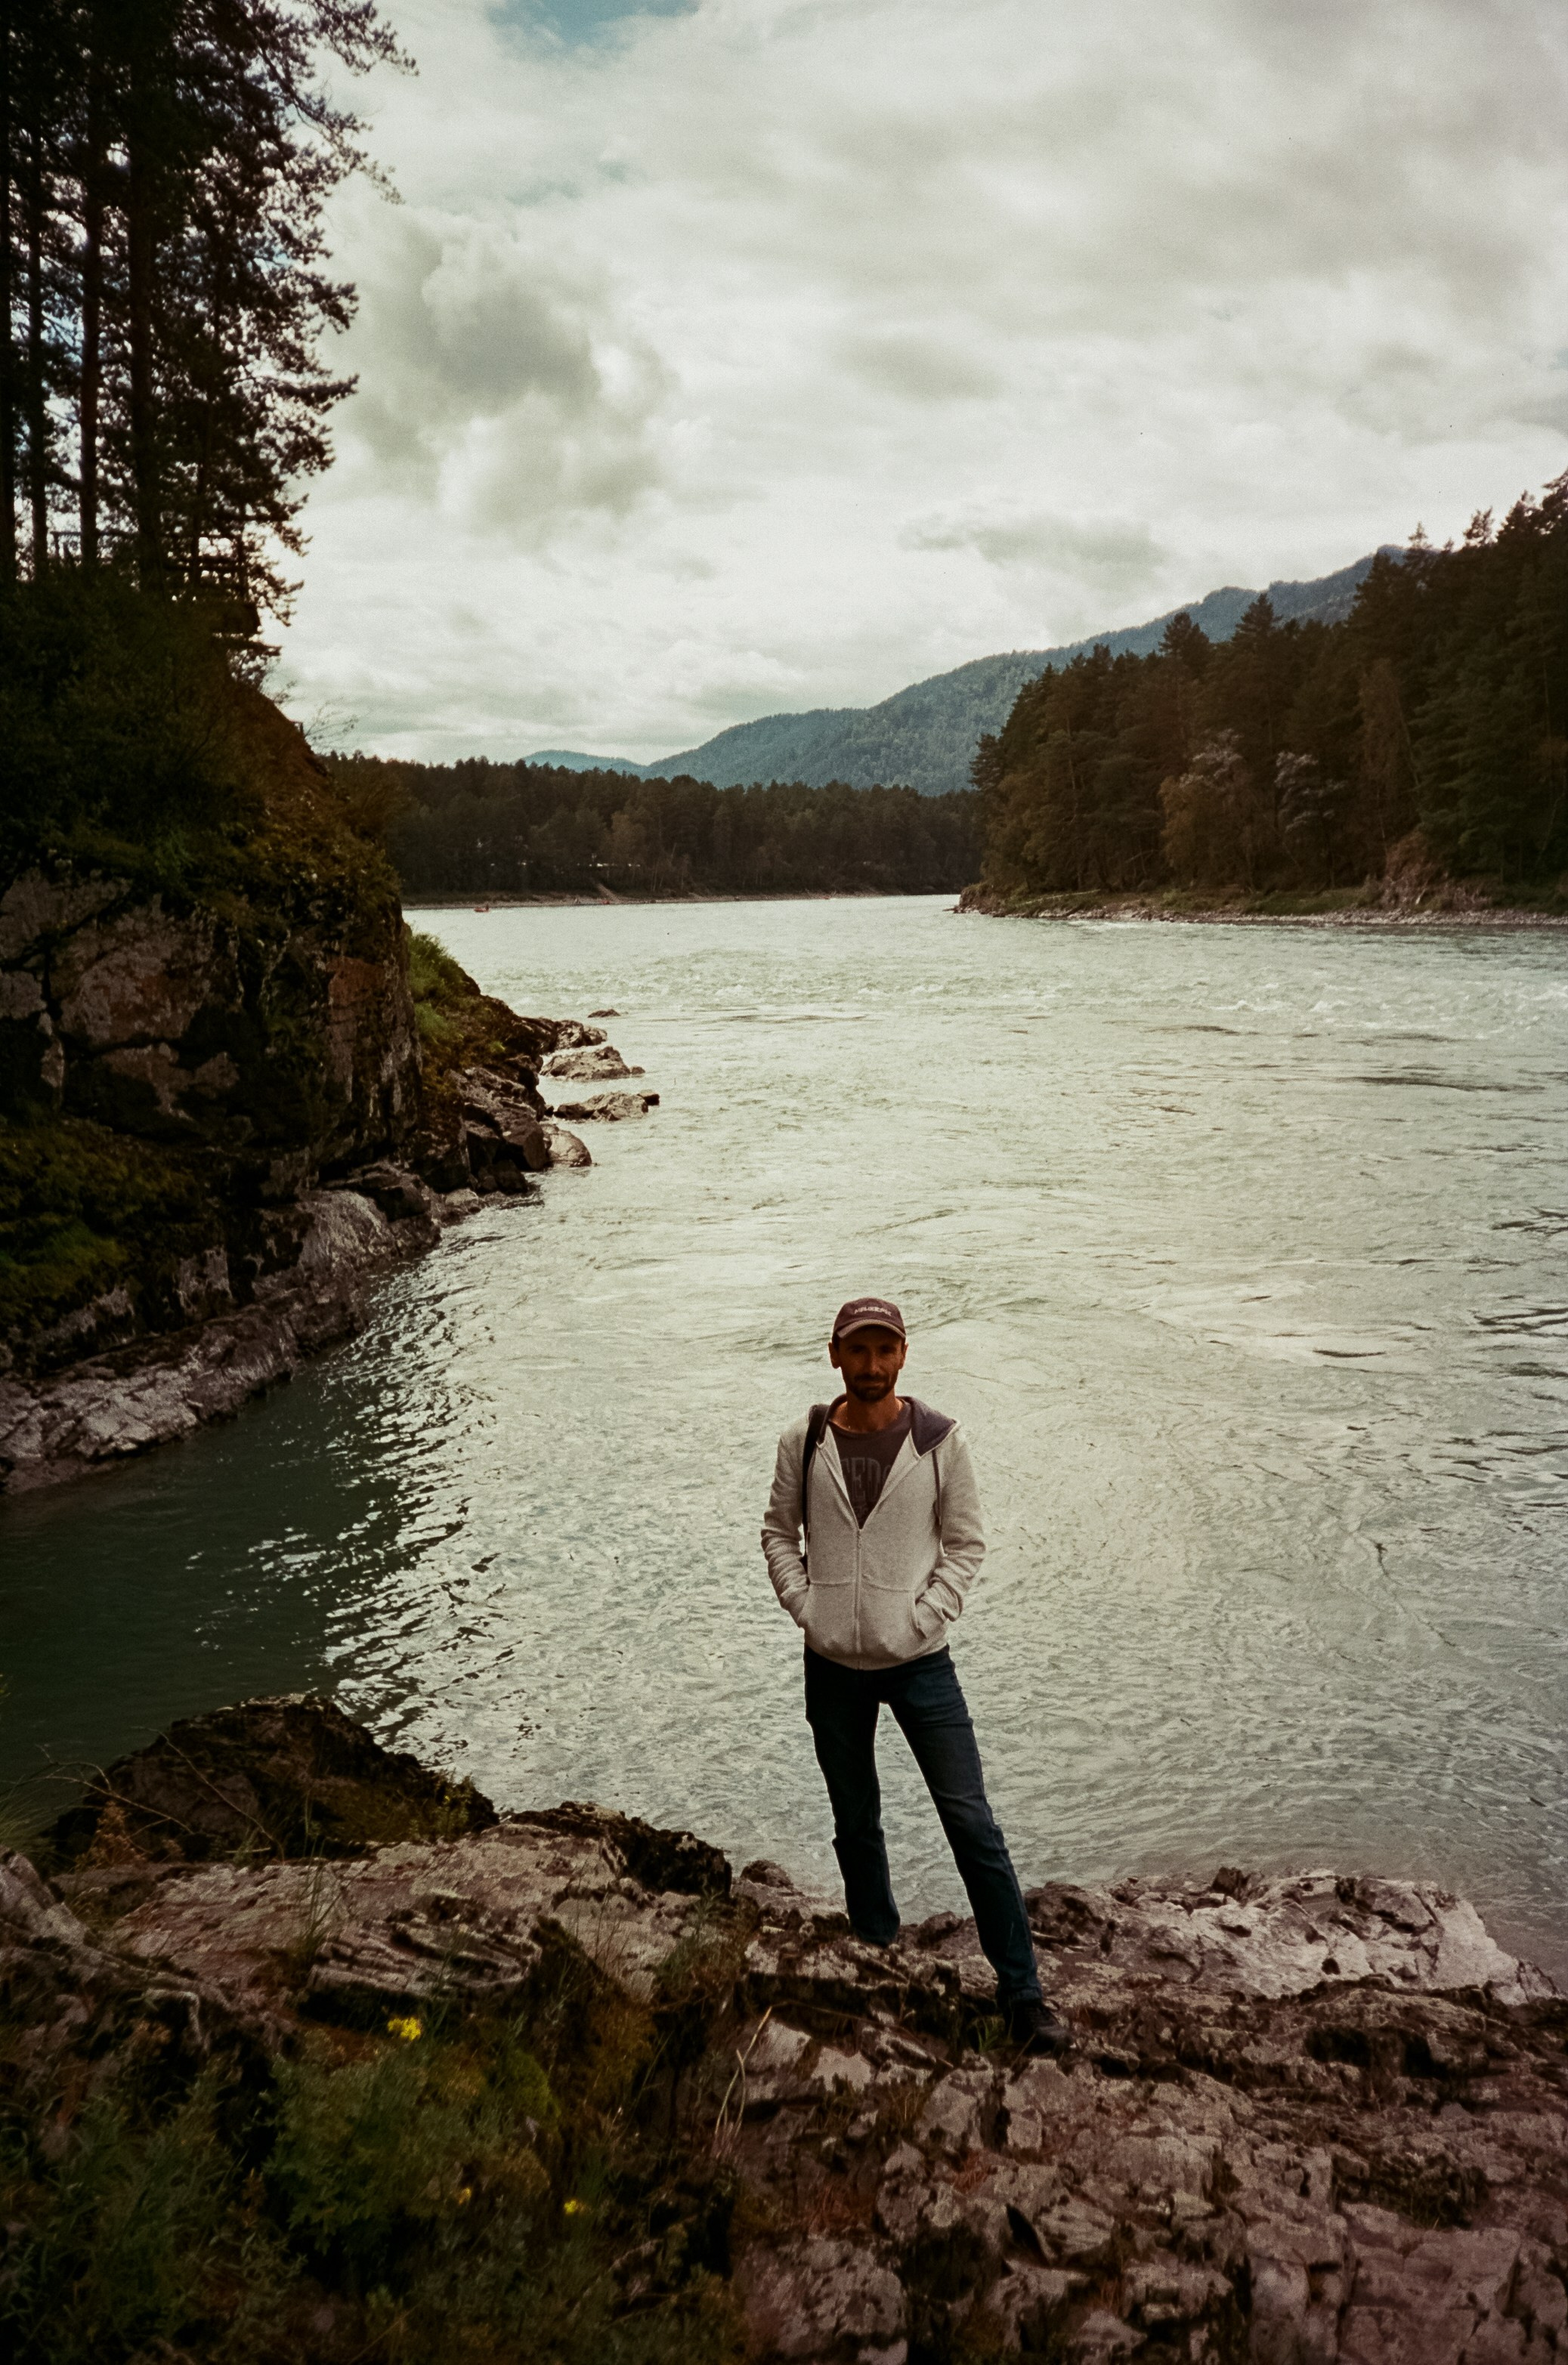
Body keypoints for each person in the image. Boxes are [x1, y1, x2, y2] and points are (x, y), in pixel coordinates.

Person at [761, 1295, 1069, 2054]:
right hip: (830, 1664)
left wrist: (923, 1617)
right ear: (834, 1354)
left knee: (970, 1822)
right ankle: (873, 1946)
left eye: (884, 1351)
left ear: (903, 1356)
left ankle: (1022, 1994)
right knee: (854, 1819)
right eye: (857, 1352)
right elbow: (777, 1532)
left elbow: (965, 1545)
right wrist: (808, 1607)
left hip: (921, 1664)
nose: (871, 1367)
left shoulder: (938, 1442)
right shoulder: (803, 1439)